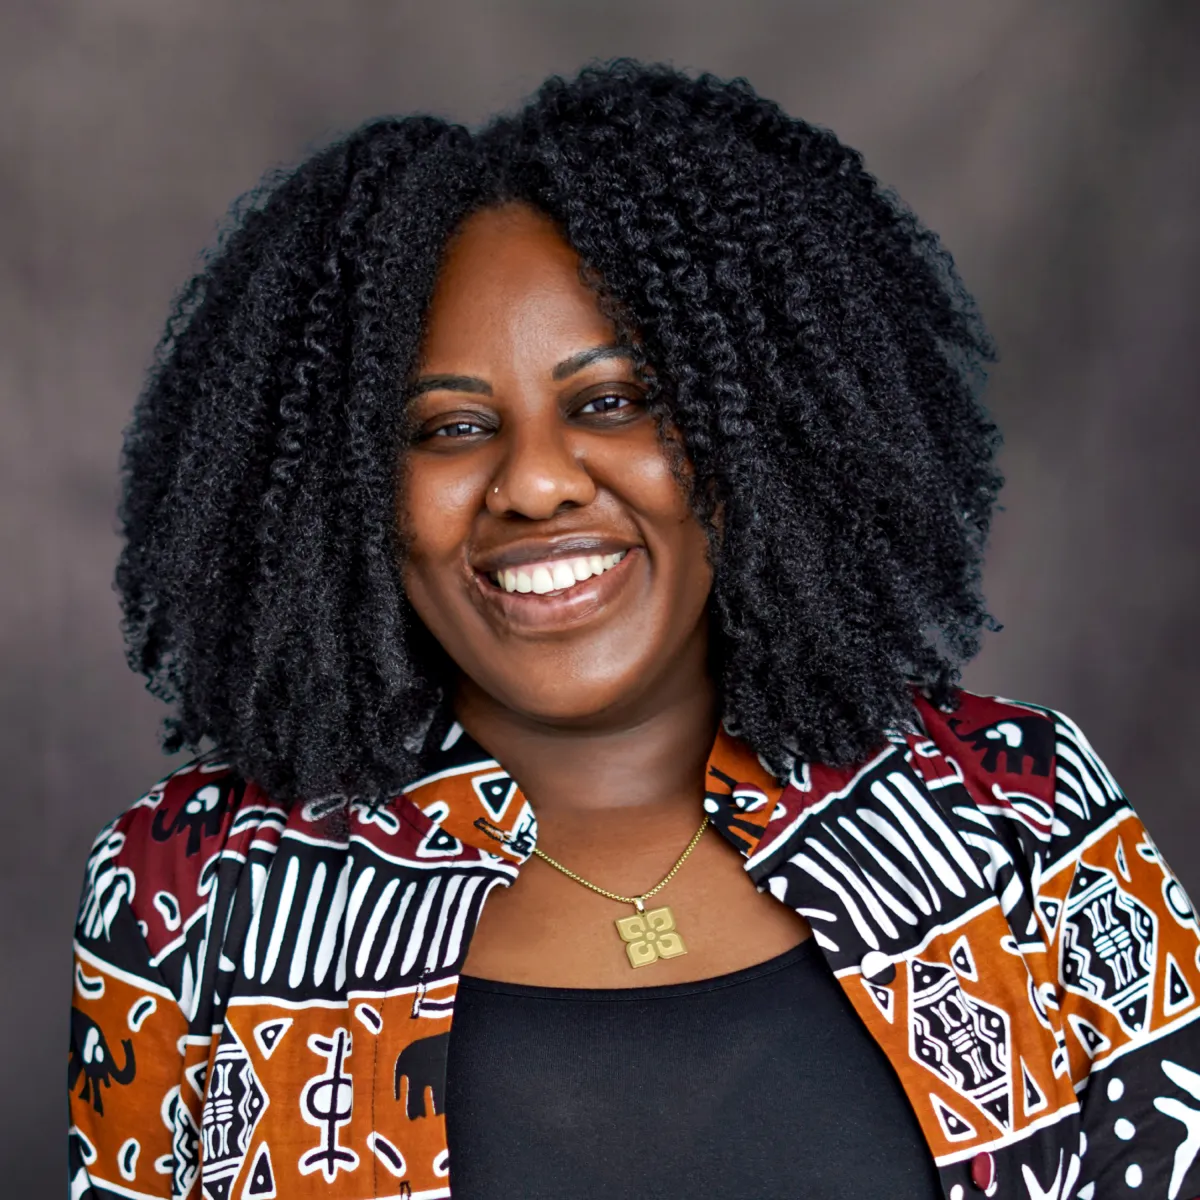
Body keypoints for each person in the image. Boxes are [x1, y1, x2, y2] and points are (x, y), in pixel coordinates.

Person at [68, 60, 1200, 1200]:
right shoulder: (188, 892)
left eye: (610, 403)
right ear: (344, 491)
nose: (536, 484)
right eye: (450, 428)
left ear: (760, 429)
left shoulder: (1020, 816)